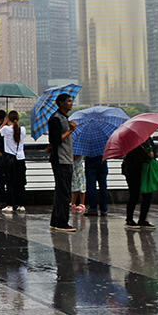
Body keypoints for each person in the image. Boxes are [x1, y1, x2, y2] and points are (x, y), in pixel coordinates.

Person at [48, 94, 78, 233]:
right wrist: (71, 130)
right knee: (64, 192)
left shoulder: (64, 118)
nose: (71, 103)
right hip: (61, 160)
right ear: (61, 103)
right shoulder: (56, 119)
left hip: (66, 159)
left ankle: (57, 221)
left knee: (62, 191)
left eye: (72, 101)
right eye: (69, 101)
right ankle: (61, 222)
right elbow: (56, 140)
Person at [121, 138, 157, 229]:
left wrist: (153, 154)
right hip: (133, 169)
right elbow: (130, 156)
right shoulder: (131, 140)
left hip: (145, 169)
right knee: (134, 194)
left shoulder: (148, 140)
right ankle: (129, 219)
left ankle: (142, 219)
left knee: (147, 195)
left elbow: (154, 150)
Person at [1, 110, 26, 214]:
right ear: (18, 119)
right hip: (20, 158)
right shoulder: (23, 129)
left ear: (8, 119)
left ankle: (10, 204)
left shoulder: (6, 129)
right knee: (21, 182)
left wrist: (4, 122)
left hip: (10, 159)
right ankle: (21, 205)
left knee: (10, 182)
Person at [84, 151, 109, 216]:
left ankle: (93, 208)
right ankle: (103, 207)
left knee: (91, 185)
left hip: (90, 159)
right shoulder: (102, 142)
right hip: (102, 159)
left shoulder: (87, 143)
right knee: (103, 185)